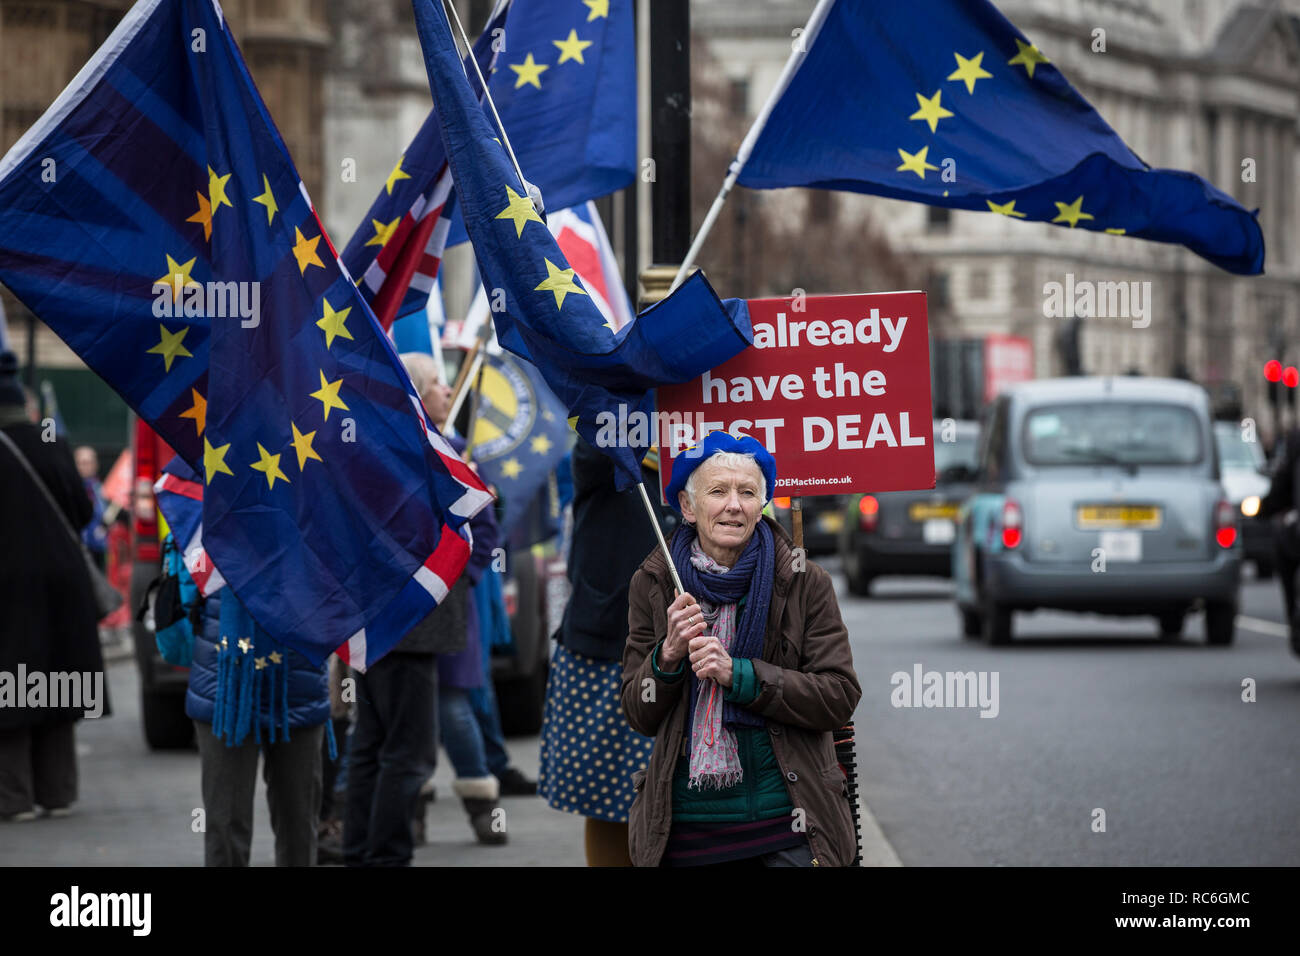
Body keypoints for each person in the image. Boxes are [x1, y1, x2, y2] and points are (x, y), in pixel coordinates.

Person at [621, 431, 862, 867]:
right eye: (718, 491)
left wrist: (741, 676)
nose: (734, 504)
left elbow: (839, 696)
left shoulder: (804, 580)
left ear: (762, 505)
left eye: (748, 492)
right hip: (688, 833)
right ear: (688, 508)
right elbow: (639, 711)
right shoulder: (653, 582)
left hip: (787, 825)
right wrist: (668, 656)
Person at [342, 351, 472, 866]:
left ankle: (359, 852)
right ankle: (386, 856)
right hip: (407, 627)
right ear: (416, 393)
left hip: (388, 625)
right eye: (437, 383)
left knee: (373, 746)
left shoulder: (389, 445)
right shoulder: (412, 450)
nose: (446, 391)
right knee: (408, 754)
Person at [539, 438, 674, 865]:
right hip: (607, 648)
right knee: (612, 798)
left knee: (678, 801)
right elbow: (602, 418)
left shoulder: (700, 462)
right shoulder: (606, 453)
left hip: (686, 650)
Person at [0, 350, 109, 821]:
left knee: (12, 687)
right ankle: (58, 792)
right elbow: (84, 513)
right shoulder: (52, 442)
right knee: (56, 683)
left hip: (7, 588)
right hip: (65, 584)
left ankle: (14, 796)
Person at [186, 583, 331, 866]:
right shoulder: (209, 537)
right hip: (226, 676)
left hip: (297, 676)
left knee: (298, 823)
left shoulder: (321, 536)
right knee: (225, 824)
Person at [1259, 425, 1300, 655]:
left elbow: (1281, 487)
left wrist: (1264, 508)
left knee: (1282, 539)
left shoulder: (1296, 439)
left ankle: (1293, 613)